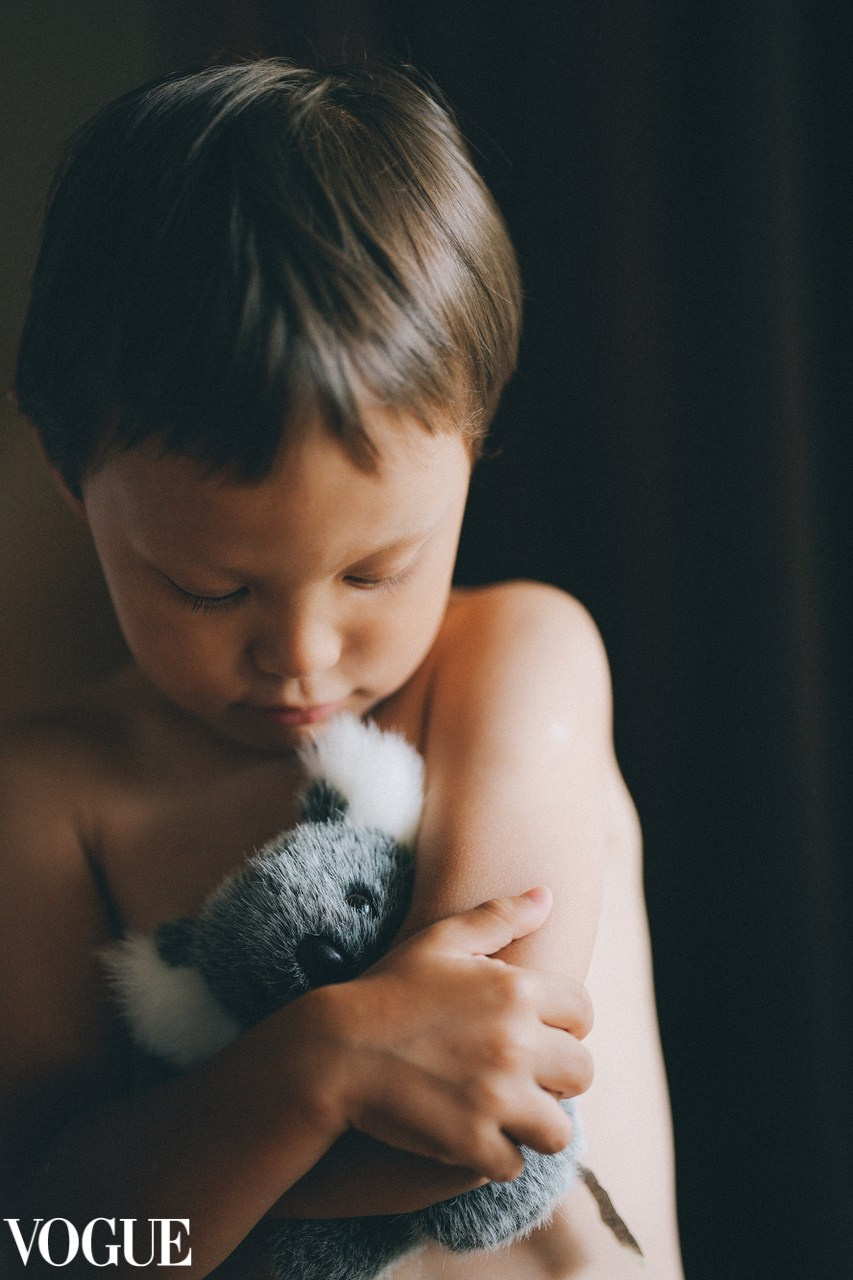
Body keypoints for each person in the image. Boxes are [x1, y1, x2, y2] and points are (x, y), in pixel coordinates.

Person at [1, 60, 683, 1278]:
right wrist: (319, 1063)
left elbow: (486, 1120)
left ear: (470, 450)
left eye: (375, 572)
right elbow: (58, 1248)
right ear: (74, 484)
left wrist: (202, 1148)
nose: (302, 656)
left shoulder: (514, 662)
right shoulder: (47, 803)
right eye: (211, 587)